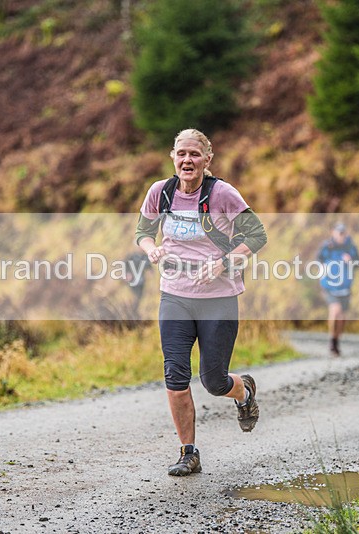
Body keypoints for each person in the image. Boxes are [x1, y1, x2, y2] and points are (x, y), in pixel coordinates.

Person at [135, 128, 268, 477]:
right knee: (175, 376)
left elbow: (257, 235)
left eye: (195, 154)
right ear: (173, 157)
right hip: (175, 296)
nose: (187, 160)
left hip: (218, 299)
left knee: (213, 381)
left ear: (208, 159)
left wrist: (223, 263)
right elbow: (143, 232)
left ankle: (244, 392)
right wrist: (153, 250)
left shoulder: (222, 194)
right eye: (181, 153)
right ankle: (188, 453)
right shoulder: (160, 193)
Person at [317, 223, 359, 356]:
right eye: (339, 233)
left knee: (341, 317)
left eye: (343, 233)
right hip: (329, 285)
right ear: (333, 233)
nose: (341, 236)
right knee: (335, 310)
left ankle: (336, 341)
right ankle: (331, 339)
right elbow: (318, 259)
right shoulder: (327, 246)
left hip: (345, 287)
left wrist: (351, 260)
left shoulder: (350, 247)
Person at [122, 250, 152, 317]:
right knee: (133, 296)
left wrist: (150, 271)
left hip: (141, 281)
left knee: (139, 297)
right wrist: (127, 274)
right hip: (132, 281)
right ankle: (131, 312)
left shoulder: (145, 257)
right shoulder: (131, 256)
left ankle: (135, 311)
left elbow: (149, 266)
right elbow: (125, 265)